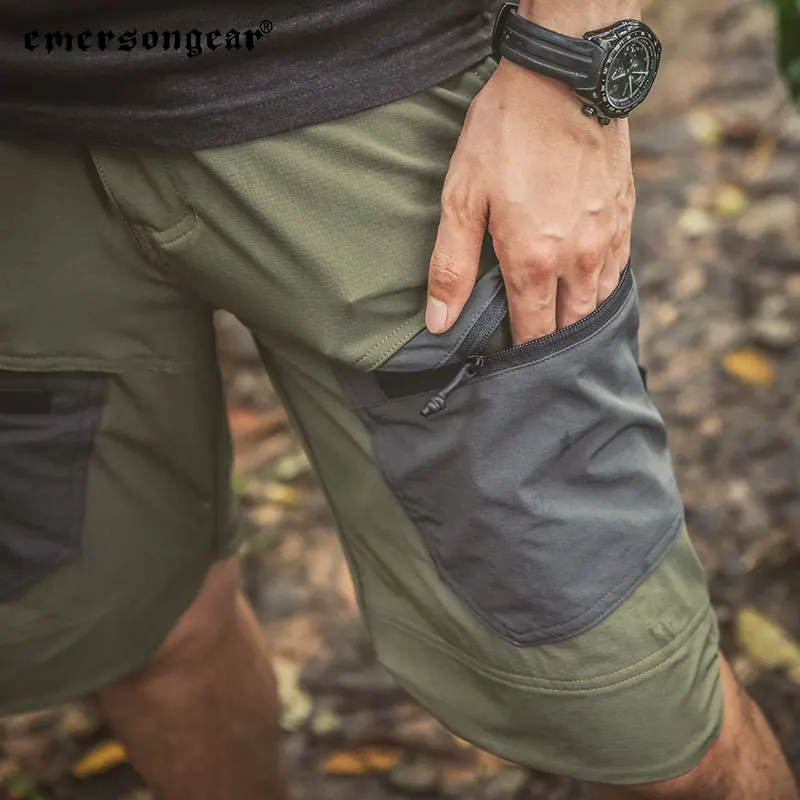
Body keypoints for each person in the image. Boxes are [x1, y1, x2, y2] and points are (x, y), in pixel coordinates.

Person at [0, 0, 797, 797]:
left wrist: (572, 66)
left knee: (658, 726)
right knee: (148, 634)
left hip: (378, 90)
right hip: (26, 138)